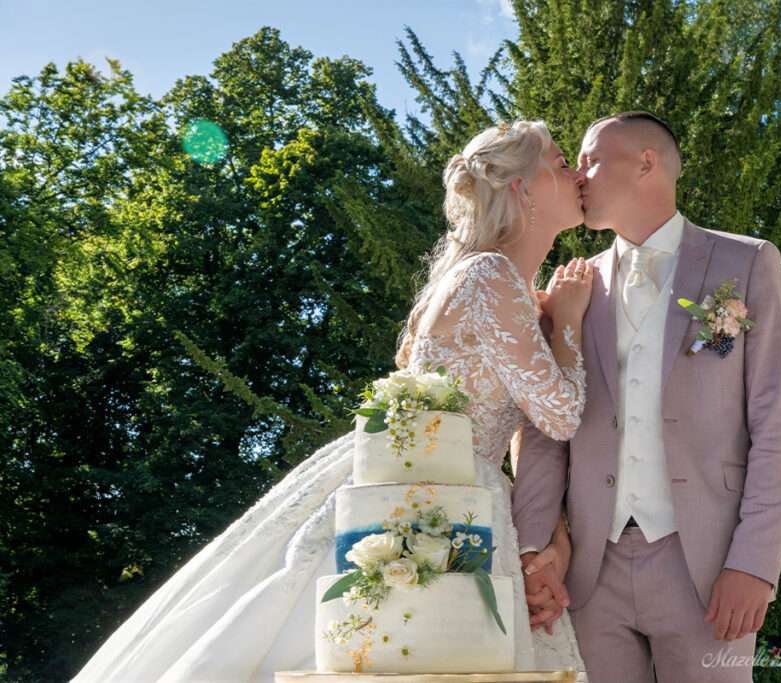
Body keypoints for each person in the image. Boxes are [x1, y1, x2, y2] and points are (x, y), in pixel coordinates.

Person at [71, 120, 591, 682]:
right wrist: (569, 323)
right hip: (431, 490)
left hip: (452, 485)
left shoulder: (496, 280)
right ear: (522, 189)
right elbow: (560, 414)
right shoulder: (491, 275)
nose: (576, 173)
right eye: (561, 163)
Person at [513, 111, 781, 683]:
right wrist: (533, 549)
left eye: (592, 159)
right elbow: (547, 430)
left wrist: (754, 564)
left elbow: (778, 425)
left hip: (708, 565)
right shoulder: (573, 286)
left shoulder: (745, 263)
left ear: (646, 162)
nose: (578, 174)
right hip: (588, 575)